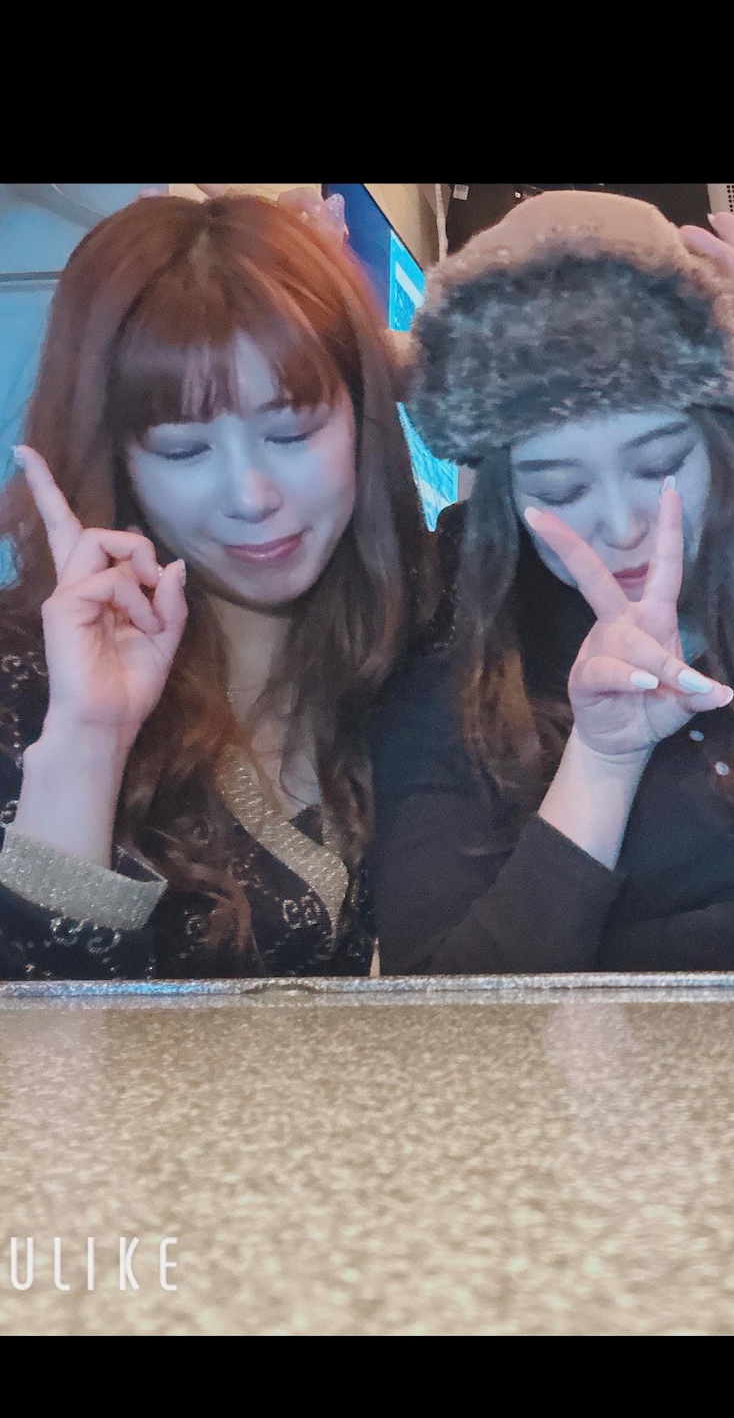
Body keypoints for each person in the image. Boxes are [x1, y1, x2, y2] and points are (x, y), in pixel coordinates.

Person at [368, 189, 734, 974]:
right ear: (507, 505)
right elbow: (445, 1015)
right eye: (560, 488)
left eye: (659, 464)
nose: (621, 525)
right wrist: (603, 760)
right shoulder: (450, 708)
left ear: (724, 452)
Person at [0, 191, 435, 980]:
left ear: (364, 413)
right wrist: (88, 741)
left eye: (292, 431)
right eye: (183, 450)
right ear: (117, 455)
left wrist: (389, 349)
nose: (251, 495)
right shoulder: (23, 679)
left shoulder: (420, 629)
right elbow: (37, 1037)